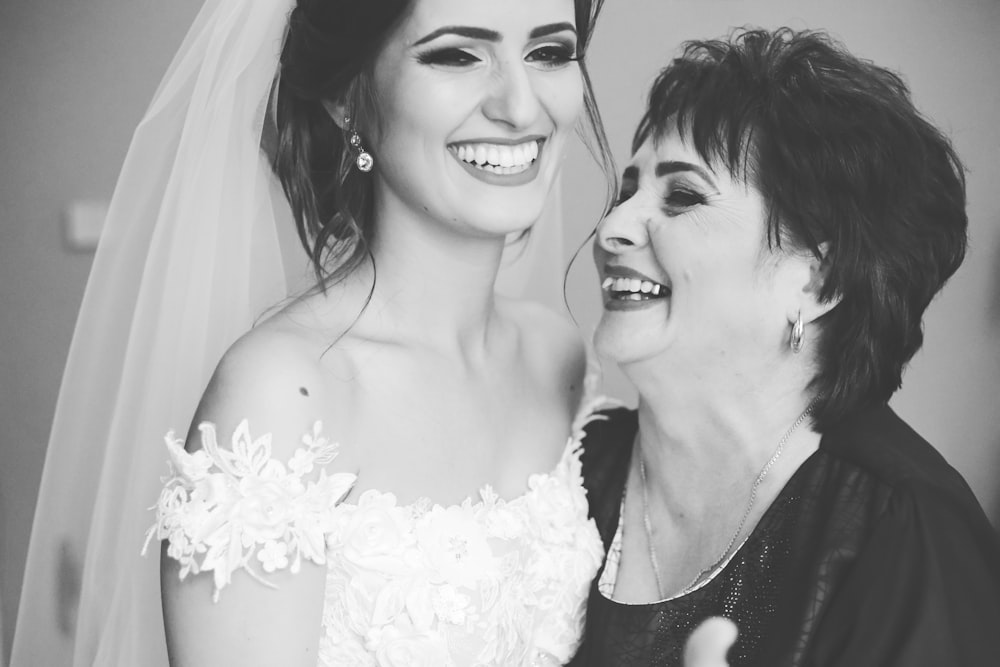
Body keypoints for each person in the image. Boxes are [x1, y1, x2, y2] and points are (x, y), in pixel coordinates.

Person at [13, 0, 613, 665]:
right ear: (342, 96)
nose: (522, 106)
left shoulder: (559, 355)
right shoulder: (283, 397)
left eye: (550, 52)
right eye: (457, 54)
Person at [570, 27, 1000, 666]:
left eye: (682, 196)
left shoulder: (902, 527)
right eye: (626, 191)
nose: (612, 228)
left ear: (818, 280)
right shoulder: (572, 467)